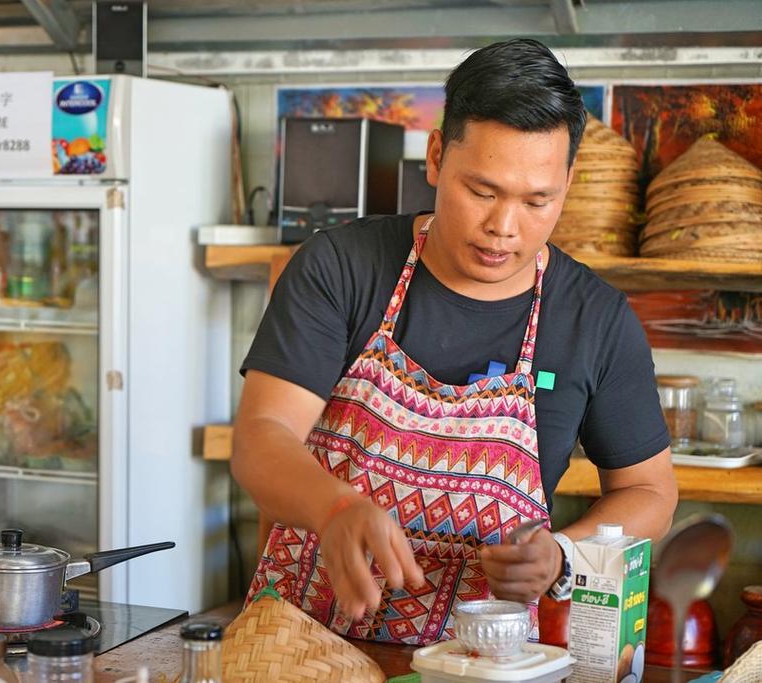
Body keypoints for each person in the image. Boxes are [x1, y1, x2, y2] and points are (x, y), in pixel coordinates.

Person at [231, 38, 678, 644]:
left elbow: (649, 491)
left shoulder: (593, 319)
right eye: (483, 191)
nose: (504, 227)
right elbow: (262, 439)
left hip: (482, 659)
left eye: (537, 200)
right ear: (436, 157)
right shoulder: (342, 267)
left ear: (567, 184)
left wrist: (563, 557)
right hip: (299, 647)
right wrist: (335, 508)